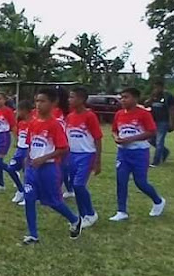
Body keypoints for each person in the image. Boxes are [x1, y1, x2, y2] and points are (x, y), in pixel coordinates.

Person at [21, 88, 82, 245]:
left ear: (53, 103)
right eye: (37, 101)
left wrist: (44, 158)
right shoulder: (33, 123)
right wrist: (28, 159)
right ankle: (33, 234)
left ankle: (75, 219)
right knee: (29, 198)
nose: (38, 105)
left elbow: (63, 148)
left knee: (53, 201)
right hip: (32, 169)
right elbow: (30, 143)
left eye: (43, 101)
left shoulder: (55, 125)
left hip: (49, 169)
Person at [109, 88, 167, 222]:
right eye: (121, 97)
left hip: (139, 152)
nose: (123, 100)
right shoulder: (119, 114)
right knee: (121, 181)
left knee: (140, 182)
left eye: (126, 97)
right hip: (123, 153)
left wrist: (130, 139)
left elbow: (151, 131)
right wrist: (116, 137)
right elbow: (114, 130)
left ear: (135, 99)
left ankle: (158, 201)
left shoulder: (143, 114)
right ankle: (121, 211)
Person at [66, 88, 102, 228]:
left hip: (86, 154)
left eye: (72, 97)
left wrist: (97, 161)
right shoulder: (70, 116)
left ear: (81, 100)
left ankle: (91, 213)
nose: (69, 100)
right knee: (75, 186)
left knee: (79, 184)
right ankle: (82, 215)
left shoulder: (90, 116)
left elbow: (98, 138)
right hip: (72, 155)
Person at [0, 92, 23, 198]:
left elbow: (13, 126)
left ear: (4, 100)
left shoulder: (8, 111)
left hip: (4, 137)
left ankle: (12, 171)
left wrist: (16, 139)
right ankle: (1, 184)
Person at [7, 100, 32, 206]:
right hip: (20, 150)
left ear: (25, 110)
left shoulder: (33, 123)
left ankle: (28, 196)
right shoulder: (21, 123)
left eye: (19, 109)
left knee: (28, 175)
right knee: (10, 168)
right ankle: (20, 190)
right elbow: (18, 135)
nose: (17, 112)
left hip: (28, 150)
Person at [144, 81, 174, 167]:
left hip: (163, 121)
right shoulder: (153, 96)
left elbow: (172, 110)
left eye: (158, 87)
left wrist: (172, 122)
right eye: (155, 87)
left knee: (159, 141)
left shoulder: (168, 96)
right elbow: (146, 104)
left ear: (162, 87)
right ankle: (165, 152)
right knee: (150, 140)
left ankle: (156, 161)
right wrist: (151, 98)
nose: (156, 89)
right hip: (153, 121)